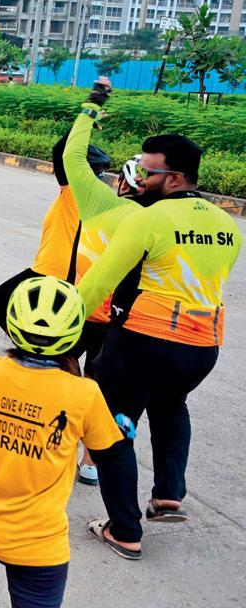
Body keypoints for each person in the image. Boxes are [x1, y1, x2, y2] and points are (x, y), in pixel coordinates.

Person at [76, 132, 241, 561]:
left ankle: (125, 530)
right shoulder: (227, 225)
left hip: (144, 343)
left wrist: (67, 321)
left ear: (175, 178)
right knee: (172, 405)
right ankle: (168, 493)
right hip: (202, 347)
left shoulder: (149, 218)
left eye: (149, 171)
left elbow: (101, 280)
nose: (139, 177)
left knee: (114, 431)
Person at [0, 276, 124, 608]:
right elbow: (108, 455)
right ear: (74, 333)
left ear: (12, 323)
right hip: (36, 541)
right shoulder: (84, 393)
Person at [61, 78, 145, 486]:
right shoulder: (161, 220)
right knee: (102, 393)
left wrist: (92, 106)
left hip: (81, 311)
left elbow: (73, 155)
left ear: (123, 184)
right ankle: (92, 461)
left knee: (59, 372)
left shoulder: (100, 202)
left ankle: (64, 445)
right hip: (124, 323)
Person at [0, 132, 112, 331]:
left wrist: (83, 120)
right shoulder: (88, 196)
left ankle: (31, 350)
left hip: (52, 270)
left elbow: (59, 151)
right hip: (56, 270)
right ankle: (38, 350)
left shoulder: (75, 192)